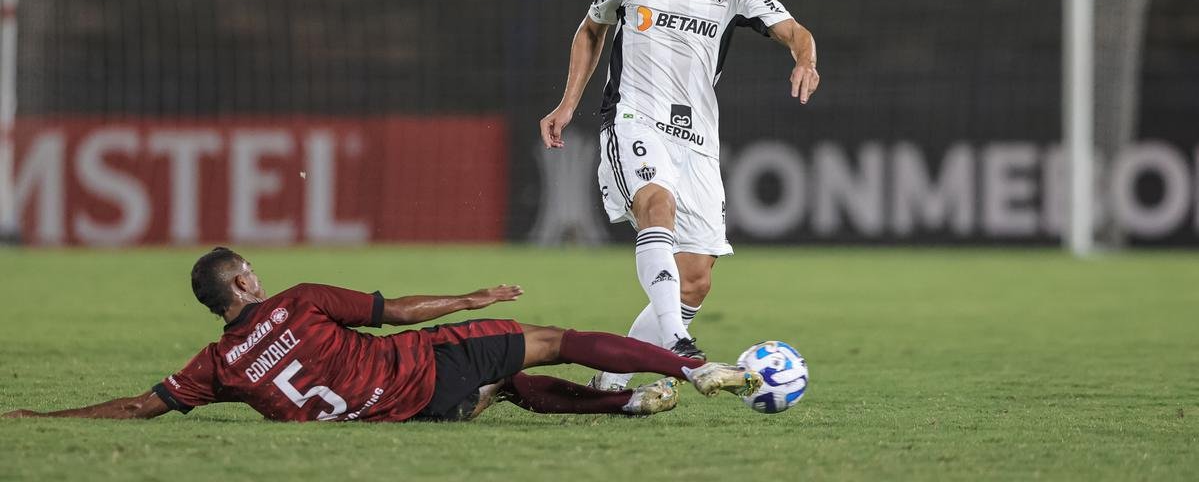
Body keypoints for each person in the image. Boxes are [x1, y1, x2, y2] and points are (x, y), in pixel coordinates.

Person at [539, 0, 819, 390]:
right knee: (655, 205)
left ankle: (609, 380)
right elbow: (591, 31)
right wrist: (567, 103)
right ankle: (679, 348)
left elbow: (795, 30)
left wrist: (805, 59)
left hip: (696, 137)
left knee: (696, 277)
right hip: (632, 117)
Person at [2, 247, 761, 422]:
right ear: (239, 286)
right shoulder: (296, 303)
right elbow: (394, 312)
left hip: (409, 413)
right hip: (421, 367)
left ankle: (625, 408)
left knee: (505, 382)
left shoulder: (217, 366)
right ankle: (687, 368)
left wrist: (38, 420)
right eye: (248, 270)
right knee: (553, 338)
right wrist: (472, 295)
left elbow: (139, 408)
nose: (257, 275)